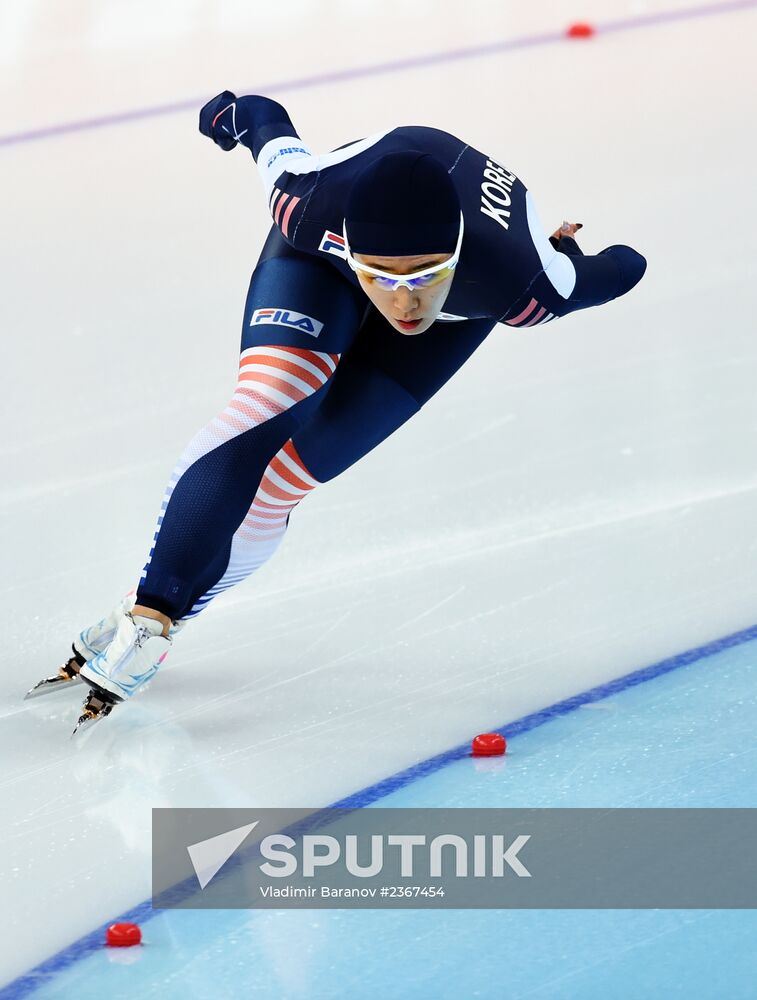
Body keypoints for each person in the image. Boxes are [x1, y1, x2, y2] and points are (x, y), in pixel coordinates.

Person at [27, 91, 647, 732]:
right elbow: (262, 120)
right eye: (383, 273)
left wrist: (564, 261)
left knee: (283, 483)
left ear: (456, 253)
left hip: (468, 300)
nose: (403, 302)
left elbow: (626, 267)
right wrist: (226, 115)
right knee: (265, 406)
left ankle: (158, 616)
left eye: (423, 274)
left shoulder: (526, 283)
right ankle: (149, 616)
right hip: (320, 269)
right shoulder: (305, 200)